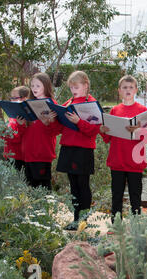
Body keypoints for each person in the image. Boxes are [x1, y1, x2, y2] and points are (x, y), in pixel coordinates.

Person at [100, 75, 147, 223]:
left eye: (131, 87)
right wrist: (103, 131)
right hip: (117, 160)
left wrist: (139, 129)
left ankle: (136, 224)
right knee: (116, 194)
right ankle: (116, 224)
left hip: (135, 161)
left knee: (135, 195)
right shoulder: (115, 110)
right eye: (124, 87)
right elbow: (108, 138)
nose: (128, 90)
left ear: (136, 90)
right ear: (119, 91)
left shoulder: (143, 111)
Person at [52, 71, 101, 230]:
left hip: (83, 150)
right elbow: (60, 128)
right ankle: (75, 219)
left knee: (82, 184)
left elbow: (94, 130)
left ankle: (84, 220)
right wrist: (53, 119)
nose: (73, 90)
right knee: (73, 185)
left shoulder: (91, 104)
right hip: (68, 147)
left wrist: (79, 121)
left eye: (76, 86)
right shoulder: (68, 102)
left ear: (85, 85)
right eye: (71, 87)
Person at [16, 72, 58, 190]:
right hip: (28, 153)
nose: (34, 88)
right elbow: (23, 131)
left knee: (43, 188)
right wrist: (20, 124)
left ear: (46, 86)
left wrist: (48, 122)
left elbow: (55, 131)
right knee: (30, 187)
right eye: (32, 86)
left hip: (42, 152)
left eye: (38, 86)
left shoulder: (51, 104)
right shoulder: (27, 104)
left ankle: (46, 208)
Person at [2, 86, 30, 172]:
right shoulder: (12, 115)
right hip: (8, 155)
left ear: (24, 99)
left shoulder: (25, 117)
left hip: (18, 157)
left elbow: (18, 138)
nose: (12, 101)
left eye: (15, 98)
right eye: (11, 98)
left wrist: (5, 134)